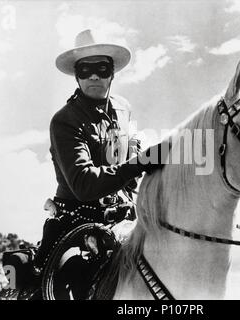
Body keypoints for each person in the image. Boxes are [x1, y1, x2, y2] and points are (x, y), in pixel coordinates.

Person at [31, 29, 168, 298]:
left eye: (101, 68)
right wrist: (139, 163)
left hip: (125, 221)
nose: (94, 75)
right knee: (74, 277)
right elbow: (83, 183)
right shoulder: (65, 120)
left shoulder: (123, 109)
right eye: (85, 69)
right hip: (76, 224)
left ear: (112, 73)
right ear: (76, 75)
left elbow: (129, 158)